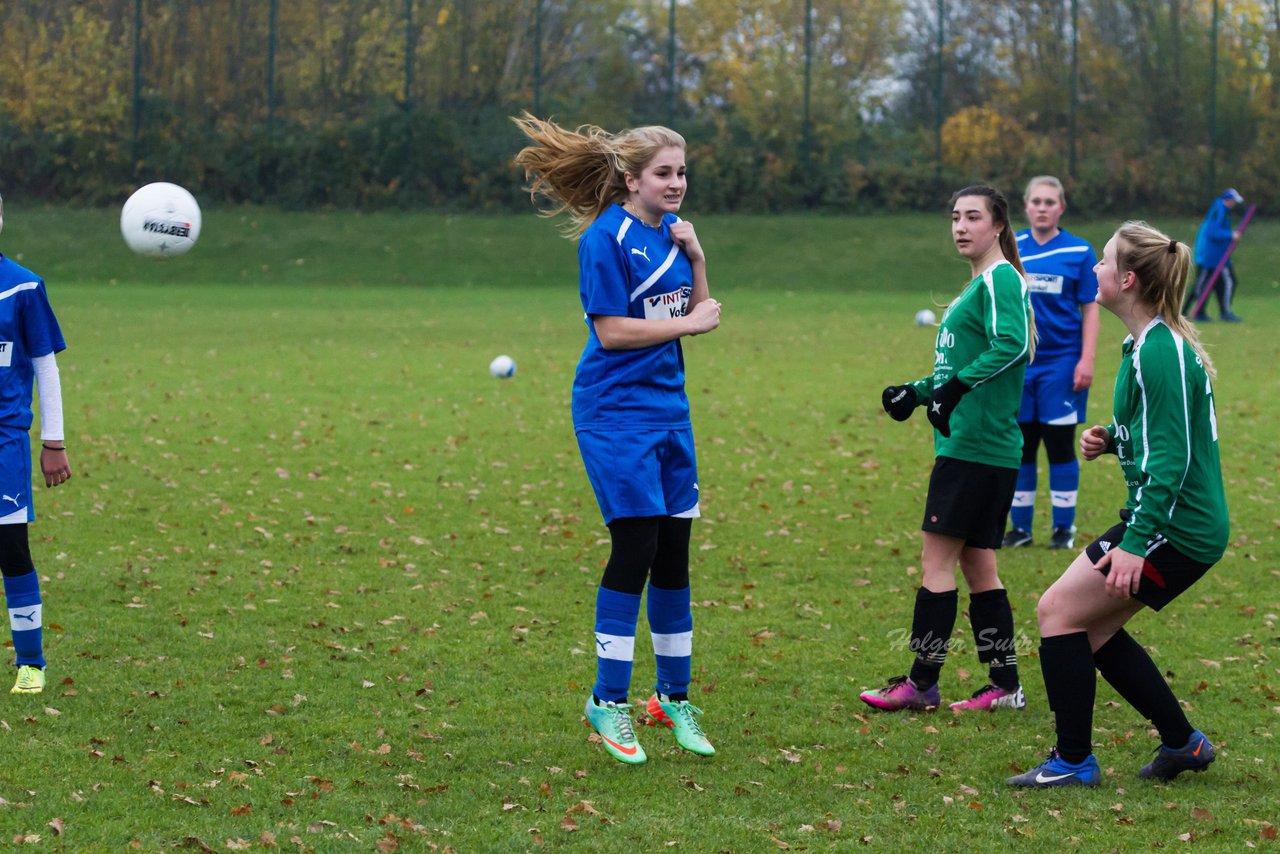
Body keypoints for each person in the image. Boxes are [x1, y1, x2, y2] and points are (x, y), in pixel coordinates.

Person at [512, 114, 721, 765]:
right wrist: (688, 325)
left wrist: (698, 260)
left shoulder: (672, 238)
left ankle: (671, 699)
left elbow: (698, 315)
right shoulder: (607, 238)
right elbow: (611, 332)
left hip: (669, 412)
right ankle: (607, 702)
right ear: (632, 178)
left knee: (676, 553)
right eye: (664, 173)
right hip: (613, 411)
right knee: (637, 544)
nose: (676, 182)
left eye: (682, 172)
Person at [1008, 221, 1227, 788]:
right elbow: (1161, 436)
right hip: (1168, 520)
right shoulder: (1141, 344)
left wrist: (1133, 545)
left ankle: (1073, 760)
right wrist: (1114, 437)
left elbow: (1173, 464)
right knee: (1094, 630)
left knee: (1058, 613)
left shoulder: (1161, 352)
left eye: (1105, 263)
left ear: (1127, 280)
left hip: (1176, 525)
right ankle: (1183, 743)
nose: (1098, 271)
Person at [863, 185, 1034, 713]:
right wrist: (915, 394)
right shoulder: (977, 285)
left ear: (999, 225)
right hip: (981, 448)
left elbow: (1014, 346)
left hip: (974, 447)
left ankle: (921, 681)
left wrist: (953, 392)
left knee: (935, 563)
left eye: (973, 217)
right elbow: (958, 366)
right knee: (980, 567)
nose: (961, 226)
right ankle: (1006, 685)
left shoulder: (1000, 279)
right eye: (955, 216)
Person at [0, 191, 72, 696]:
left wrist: (54, 441)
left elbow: (45, 365)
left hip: (4, 443)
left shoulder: (23, 286)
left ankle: (31, 662)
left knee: (11, 549)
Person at [1004, 177, 1099, 551]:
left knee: (1060, 446)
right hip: (1017, 364)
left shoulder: (1079, 251)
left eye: (1050, 202)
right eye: (1036, 201)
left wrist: (1086, 359)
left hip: (1062, 363)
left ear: (1061, 208)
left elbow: (1090, 307)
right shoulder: (1010, 248)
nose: (1042, 207)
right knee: (1021, 446)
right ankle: (1020, 529)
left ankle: (1064, 529)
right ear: (1025, 206)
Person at [1183, 188, 1244, 322]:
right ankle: (1189, 312)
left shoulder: (1222, 211)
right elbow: (1212, 232)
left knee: (1219, 284)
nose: (1234, 204)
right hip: (1210, 257)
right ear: (1228, 200)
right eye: (1234, 201)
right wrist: (1231, 235)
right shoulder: (1219, 210)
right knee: (1203, 285)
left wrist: (1230, 240)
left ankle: (1218, 312)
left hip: (1218, 255)